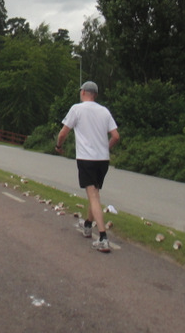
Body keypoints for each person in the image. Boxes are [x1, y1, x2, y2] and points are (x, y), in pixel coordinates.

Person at [56, 81, 120, 253]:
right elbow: (115, 136)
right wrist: (105, 148)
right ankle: (87, 225)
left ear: (83, 92)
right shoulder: (104, 111)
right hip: (102, 160)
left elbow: (63, 133)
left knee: (93, 196)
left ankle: (103, 237)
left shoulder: (77, 109)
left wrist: (58, 146)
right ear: (95, 94)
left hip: (86, 158)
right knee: (95, 193)